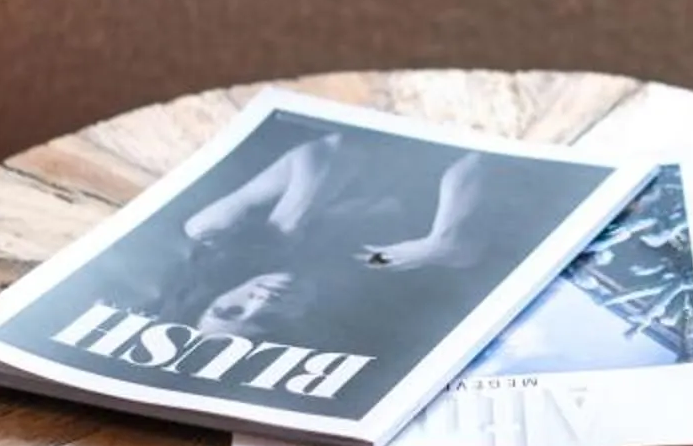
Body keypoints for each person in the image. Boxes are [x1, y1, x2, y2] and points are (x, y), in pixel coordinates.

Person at [177, 130, 500, 336]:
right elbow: (475, 167)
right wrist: (438, 247)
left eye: (230, 310)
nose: (260, 303)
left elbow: (333, 147)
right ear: (297, 323)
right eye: (266, 321)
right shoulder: (369, 270)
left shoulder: (216, 233)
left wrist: (288, 219)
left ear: (215, 296)